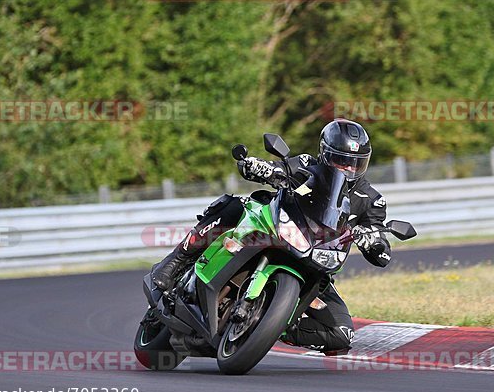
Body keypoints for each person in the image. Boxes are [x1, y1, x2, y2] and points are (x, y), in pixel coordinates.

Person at [151, 119, 392, 352]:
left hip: (317, 262)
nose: (349, 169)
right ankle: (176, 260)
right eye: (341, 161)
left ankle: (269, 325)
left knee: (341, 333)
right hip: (282, 231)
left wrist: (375, 242)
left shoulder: (372, 200)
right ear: (326, 155)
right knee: (233, 206)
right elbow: (280, 169)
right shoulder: (309, 166)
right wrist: (259, 167)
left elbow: (381, 247)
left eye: (355, 163)